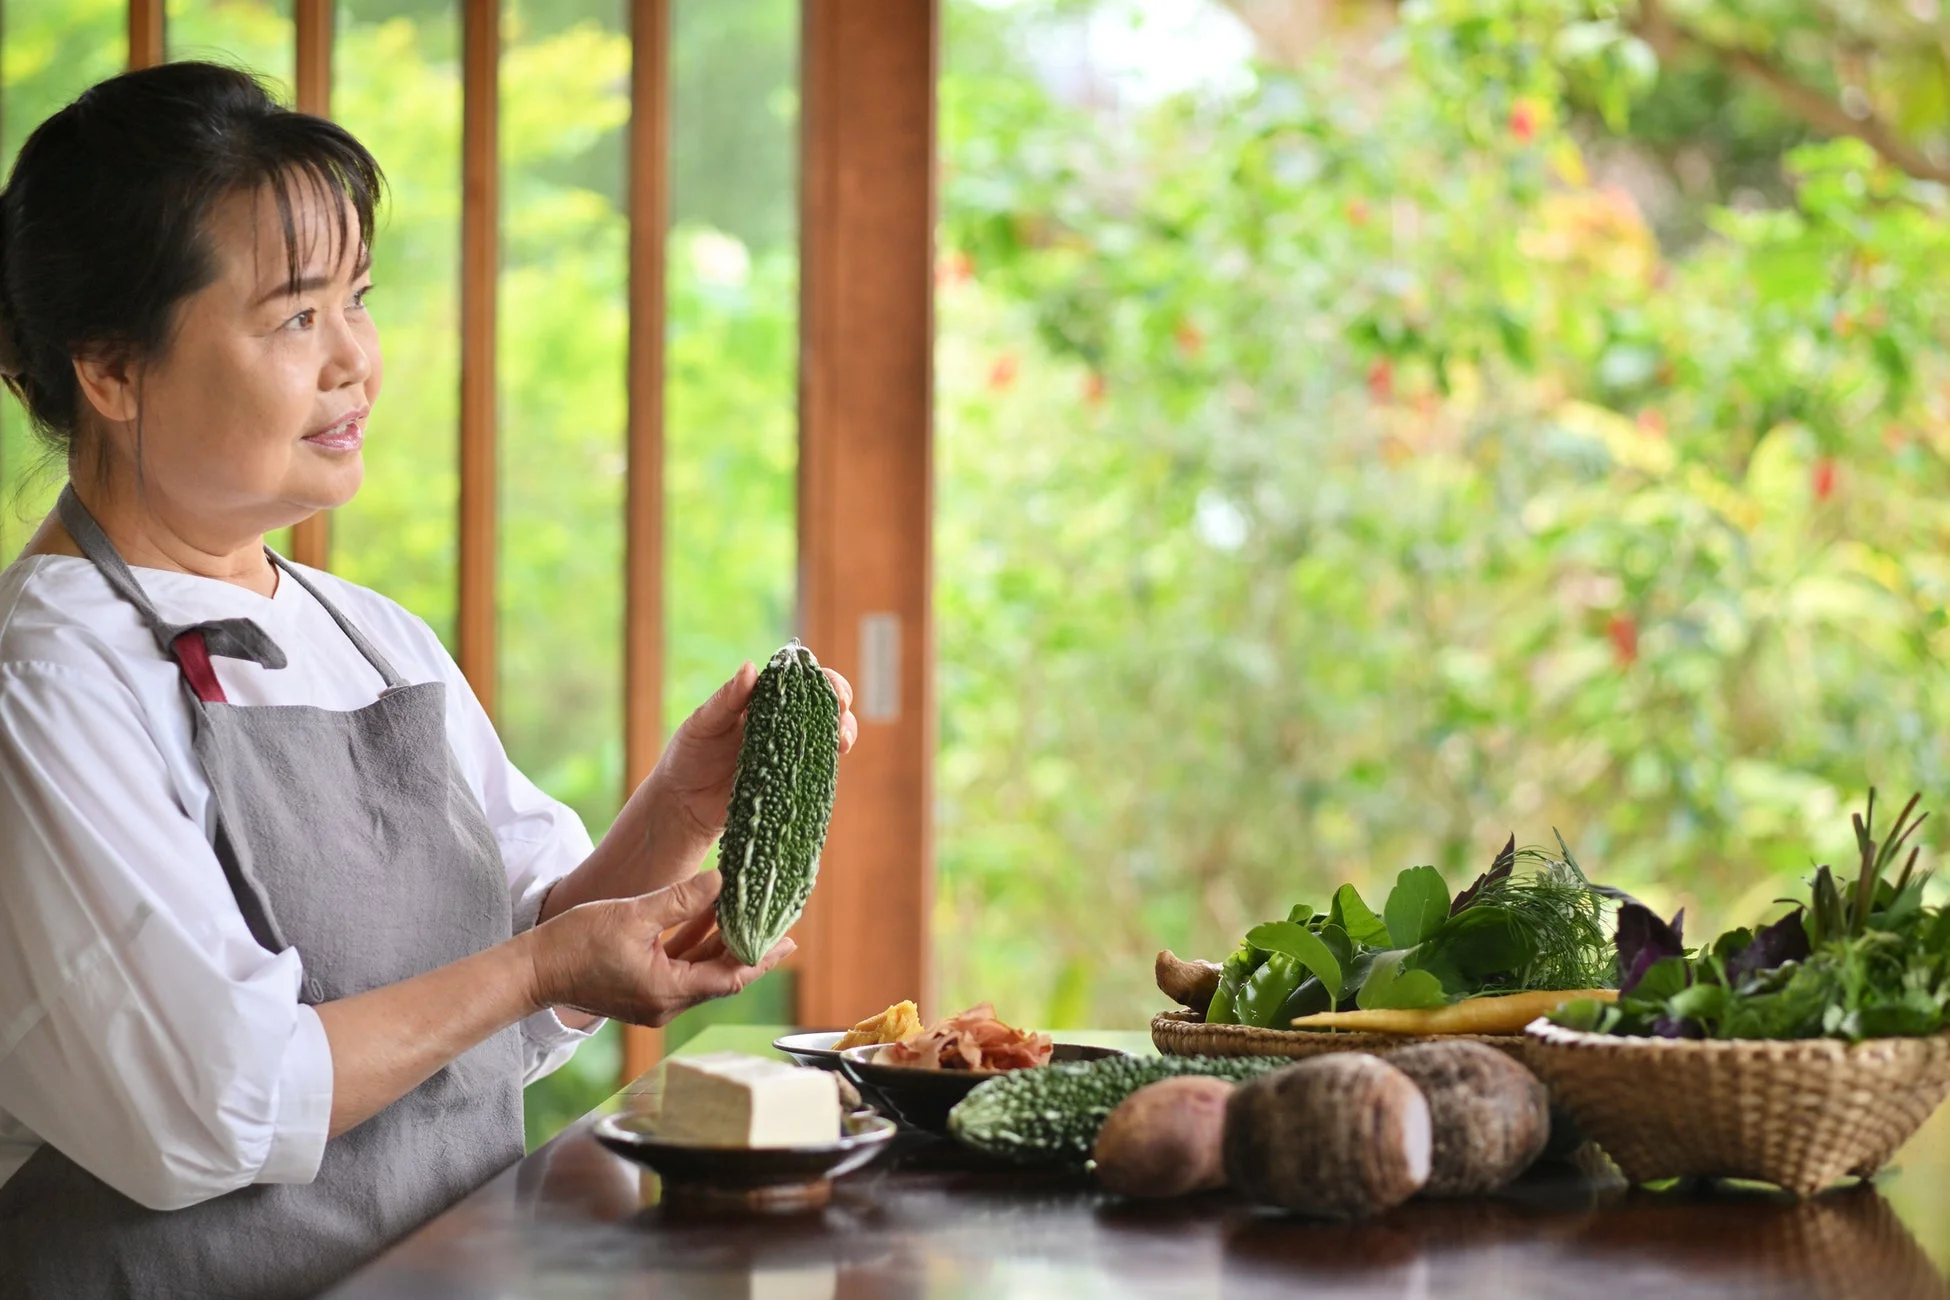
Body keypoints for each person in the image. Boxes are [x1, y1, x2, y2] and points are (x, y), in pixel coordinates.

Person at [0, 62, 857, 1298]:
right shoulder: (49, 682)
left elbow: (506, 998)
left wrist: (680, 806)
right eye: (295, 317)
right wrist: (545, 966)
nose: (354, 358)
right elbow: (214, 1101)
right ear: (113, 370)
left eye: (357, 298)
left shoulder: (373, 639)